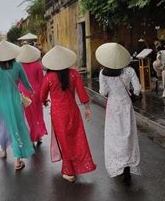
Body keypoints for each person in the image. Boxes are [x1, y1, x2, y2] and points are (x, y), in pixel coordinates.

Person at [40, 45, 97, 182]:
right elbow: (82, 93)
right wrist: (87, 108)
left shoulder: (49, 77)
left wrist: (44, 102)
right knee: (77, 138)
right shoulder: (74, 74)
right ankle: (78, 165)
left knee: (64, 141)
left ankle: (69, 170)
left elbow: (42, 96)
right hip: (73, 111)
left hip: (58, 114)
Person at [96, 43, 141, 184]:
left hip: (113, 107)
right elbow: (138, 89)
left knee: (115, 136)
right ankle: (128, 165)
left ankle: (118, 164)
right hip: (126, 105)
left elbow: (103, 92)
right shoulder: (129, 71)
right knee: (128, 134)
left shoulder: (103, 73)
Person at [0, 40, 35, 170]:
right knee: (18, 127)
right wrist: (31, 90)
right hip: (15, 101)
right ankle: (18, 160)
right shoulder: (18, 66)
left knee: (4, 126)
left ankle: (3, 149)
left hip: (1, 102)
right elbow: (25, 83)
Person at [16, 44, 48, 146]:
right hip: (36, 91)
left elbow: (17, 81)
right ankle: (38, 136)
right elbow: (42, 81)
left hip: (23, 91)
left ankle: (31, 136)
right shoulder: (38, 65)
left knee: (28, 115)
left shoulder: (18, 65)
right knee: (38, 113)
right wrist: (44, 97)